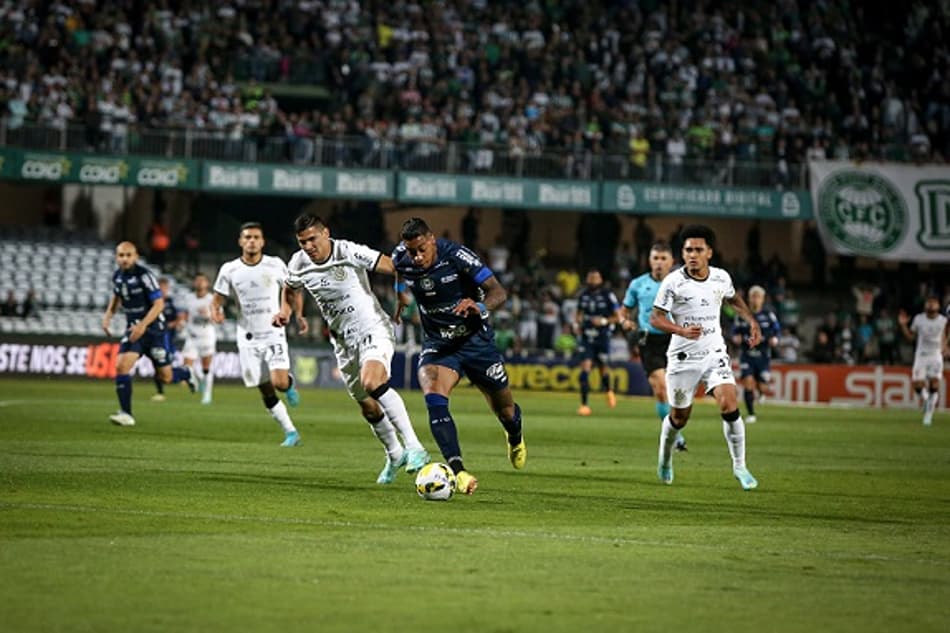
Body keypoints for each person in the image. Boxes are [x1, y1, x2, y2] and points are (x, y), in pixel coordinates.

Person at [274, 213, 430, 483]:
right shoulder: (298, 263)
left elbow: (394, 265)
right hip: (342, 342)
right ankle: (394, 454)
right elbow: (290, 288)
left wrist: (402, 293)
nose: (308, 247)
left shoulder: (348, 251)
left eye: (312, 239)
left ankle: (415, 447)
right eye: (302, 242)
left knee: (372, 382)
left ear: (326, 233)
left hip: (373, 329)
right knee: (368, 407)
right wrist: (286, 312)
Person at [392, 217, 526, 495]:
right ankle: (458, 470)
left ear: (431, 240)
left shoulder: (458, 256)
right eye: (411, 251)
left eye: (420, 250)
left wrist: (479, 305)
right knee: (433, 396)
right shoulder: (401, 257)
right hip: (439, 345)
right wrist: (401, 294)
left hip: (477, 343)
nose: (416, 257)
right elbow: (394, 270)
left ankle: (514, 436)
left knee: (506, 411)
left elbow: (498, 292)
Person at [649, 224, 761, 490]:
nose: (692, 255)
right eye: (688, 250)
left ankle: (740, 466)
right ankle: (665, 459)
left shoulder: (721, 278)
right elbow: (656, 318)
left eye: (698, 250)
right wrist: (681, 330)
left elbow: (733, 300)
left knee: (729, 405)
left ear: (709, 252)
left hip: (714, 353)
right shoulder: (673, 282)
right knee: (679, 417)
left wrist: (752, 322)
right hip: (683, 357)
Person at [212, 222, 302, 446]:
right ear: (240, 241)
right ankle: (291, 432)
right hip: (247, 336)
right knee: (264, 388)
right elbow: (217, 300)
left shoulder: (275, 264)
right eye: (247, 237)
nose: (251, 241)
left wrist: (293, 313)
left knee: (278, 382)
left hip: (273, 331)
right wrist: (216, 312)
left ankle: (289, 385)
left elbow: (291, 291)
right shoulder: (229, 269)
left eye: (255, 237)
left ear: (262, 242)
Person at [101, 242, 197, 427]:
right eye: (121, 255)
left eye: (128, 255)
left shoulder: (145, 276)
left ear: (136, 256)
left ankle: (185, 372)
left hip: (154, 331)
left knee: (166, 377)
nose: (125, 259)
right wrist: (108, 317)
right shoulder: (118, 277)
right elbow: (116, 297)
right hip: (133, 330)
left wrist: (143, 325)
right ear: (116, 257)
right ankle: (126, 413)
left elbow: (159, 304)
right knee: (121, 366)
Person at [620, 241, 686, 450]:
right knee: (660, 388)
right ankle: (675, 436)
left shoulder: (682, 284)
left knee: (676, 391)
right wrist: (625, 321)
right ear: (649, 260)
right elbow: (625, 310)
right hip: (648, 340)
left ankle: (674, 428)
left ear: (671, 262)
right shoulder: (637, 284)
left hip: (674, 339)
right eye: (655, 258)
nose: (659, 263)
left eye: (663, 258)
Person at [572, 269, 621, 416]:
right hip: (587, 337)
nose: (593, 280)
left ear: (600, 280)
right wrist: (577, 325)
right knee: (585, 369)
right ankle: (584, 405)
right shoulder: (583, 295)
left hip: (602, 336)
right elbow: (579, 314)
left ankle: (608, 391)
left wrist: (604, 321)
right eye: (590, 277)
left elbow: (617, 316)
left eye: (596, 278)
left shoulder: (608, 295)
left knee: (603, 369)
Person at [731, 286, 781, 423]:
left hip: (763, 355)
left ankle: (762, 392)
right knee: (748, 382)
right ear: (749, 298)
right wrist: (736, 337)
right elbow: (734, 332)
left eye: (758, 297)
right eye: (753, 296)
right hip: (746, 354)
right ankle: (751, 414)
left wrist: (774, 339)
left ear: (763, 299)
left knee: (762, 385)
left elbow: (777, 330)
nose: (755, 300)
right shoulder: (742, 315)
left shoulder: (768, 315)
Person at [898, 296, 949, 426]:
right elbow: (910, 337)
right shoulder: (919, 319)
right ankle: (926, 400)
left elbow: (947, 335)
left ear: (938, 306)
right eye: (929, 303)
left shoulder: (943, 321)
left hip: (935, 355)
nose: (931, 305)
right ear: (925, 305)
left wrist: (946, 347)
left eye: (934, 303)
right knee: (917, 385)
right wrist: (903, 325)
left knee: (934, 385)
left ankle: (928, 416)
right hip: (921, 355)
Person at [181, 273, 217, 405]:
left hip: (206, 337)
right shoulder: (188, 298)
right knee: (187, 367)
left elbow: (220, 318)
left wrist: (209, 315)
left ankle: (207, 395)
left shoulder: (212, 299)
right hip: (192, 336)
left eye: (202, 281)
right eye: (197, 281)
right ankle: (199, 380)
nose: (200, 283)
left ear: (207, 284)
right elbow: (185, 314)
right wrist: (181, 321)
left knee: (206, 367)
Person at [152, 277, 186, 402]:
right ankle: (160, 392)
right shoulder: (152, 301)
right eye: (160, 287)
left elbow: (181, 317)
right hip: (155, 337)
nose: (162, 290)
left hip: (168, 339)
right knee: (157, 364)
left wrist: (172, 324)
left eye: (164, 287)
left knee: (164, 365)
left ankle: (184, 375)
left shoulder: (171, 302)